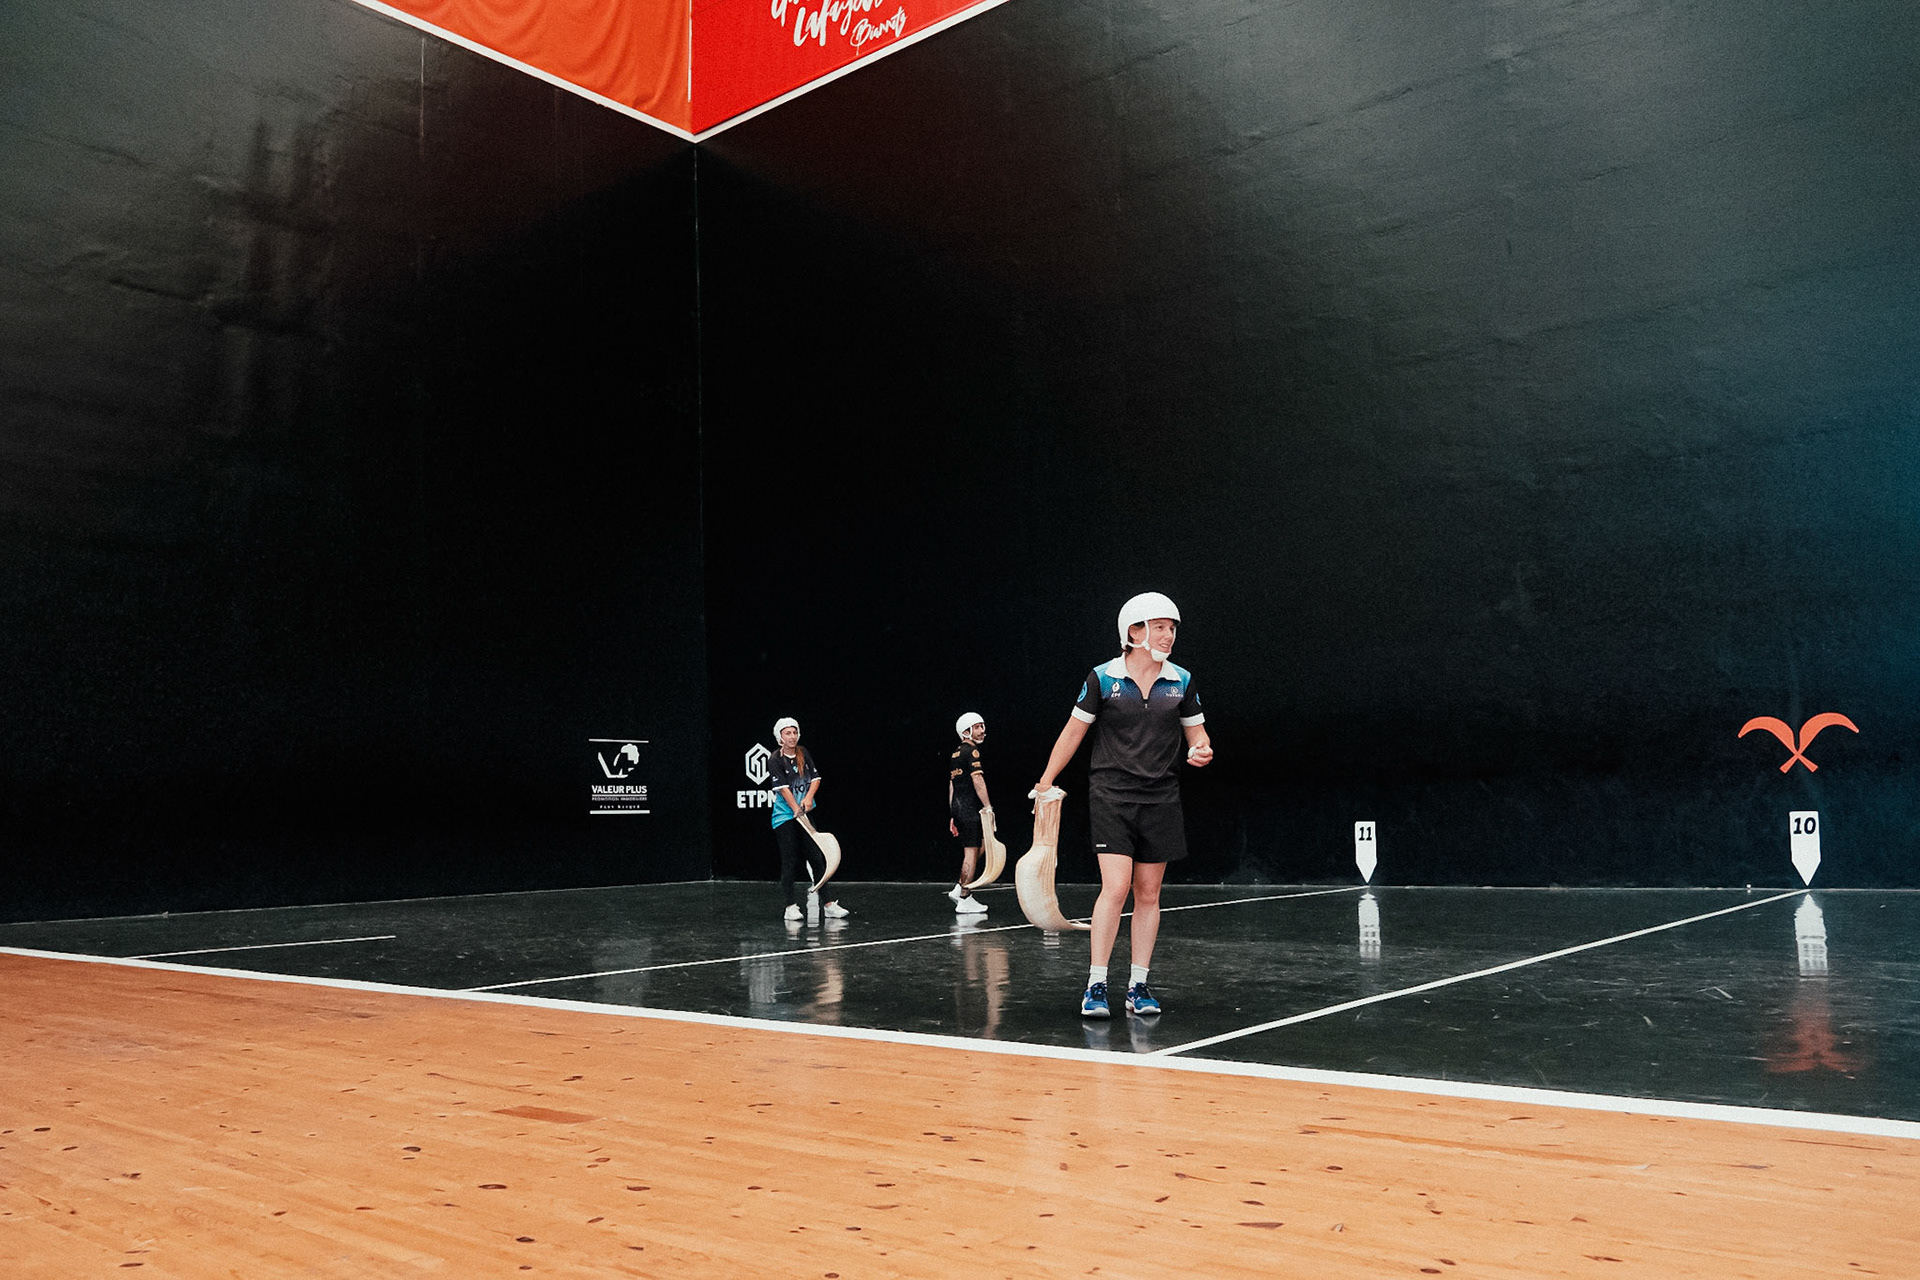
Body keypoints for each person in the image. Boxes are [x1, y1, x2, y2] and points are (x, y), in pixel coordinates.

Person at [1032, 592, 1212, 1017]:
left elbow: (1198, 736)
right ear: (1134, 632)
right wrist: (1045, 781)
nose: (1169, 635)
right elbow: (1073, 732)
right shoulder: (1102, 679)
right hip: (1111, 795)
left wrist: (1202, 750)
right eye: (1160, 626)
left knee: (1148, 893)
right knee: (1116, 888)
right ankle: (1096, 985)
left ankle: (1139, 985)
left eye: (1172, 627)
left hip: (1161, 796)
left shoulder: (1181, 681)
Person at [768, 718, 849, 922]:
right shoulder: (775, 759)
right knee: (790, 861)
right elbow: (783, 789)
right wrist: (795, 808)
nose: (792, 737)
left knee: (815, 858)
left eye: (794, 733)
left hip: (804, 814)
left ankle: (829, 905)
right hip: (784, 818)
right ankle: (790, 907)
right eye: (788, 733)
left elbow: (815, 779)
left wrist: (808, 798)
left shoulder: (803, 753)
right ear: (780, 737)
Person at [947, 712, 992, 916]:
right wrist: (988, 807)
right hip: (969, 809)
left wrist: (952, 814)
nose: (982, 730)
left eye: (983, 726)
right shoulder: (971, 752)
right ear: (966, 731)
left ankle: (959, 888)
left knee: (979, 847)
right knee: (971, 852)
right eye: (977, 727)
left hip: (959, 807)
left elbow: (952, 785)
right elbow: (978, 781)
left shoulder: (956, 753)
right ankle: (965, 897)